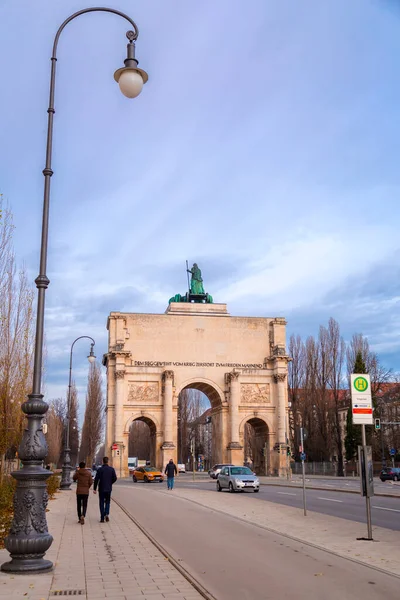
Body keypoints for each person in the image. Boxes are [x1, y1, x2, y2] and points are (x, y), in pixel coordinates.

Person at [93, 456, 117, 523]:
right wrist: (110, 483)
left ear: (102, 461)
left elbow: (96, 480)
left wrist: (94, 488)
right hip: (108, 488)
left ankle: (102, 518)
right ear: (108, 461)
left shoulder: (100, 469)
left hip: (101, 488)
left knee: (101, 502)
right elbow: (115, 478)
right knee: (108, 502)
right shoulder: (111, 469)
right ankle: (106, 513)